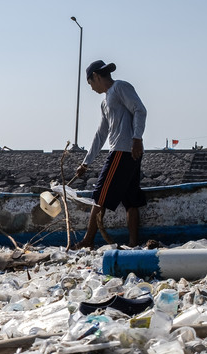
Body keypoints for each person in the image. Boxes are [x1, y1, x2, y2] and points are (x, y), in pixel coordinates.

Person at [73, 60, 147, 248]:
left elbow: (140, 109)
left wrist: (137, 138)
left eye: (90, 83)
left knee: (99, 196)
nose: (91, 88)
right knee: (131, 199)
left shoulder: (120, 87)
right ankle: (133, 244)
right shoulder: (105, 101)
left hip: (122, 151)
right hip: (127, 152)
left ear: (96, 76)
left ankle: (88, 241)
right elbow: (101, 134)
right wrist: (86, 162)